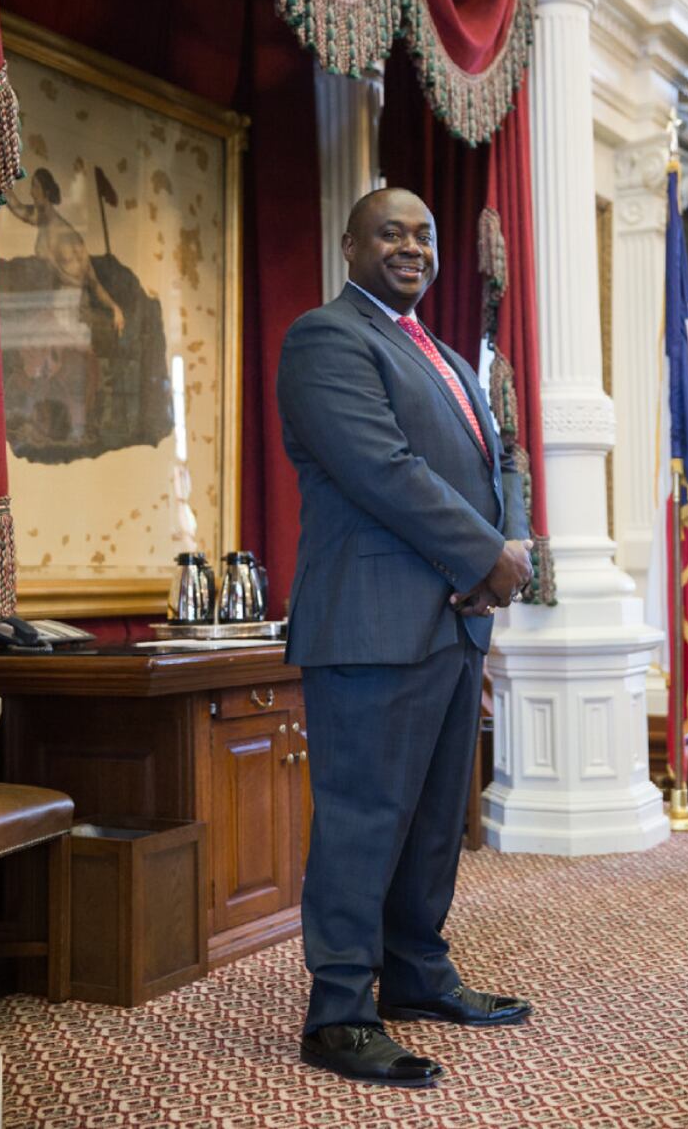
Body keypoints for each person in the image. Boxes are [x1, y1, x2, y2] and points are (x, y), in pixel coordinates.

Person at [277, 187, 534, 1087]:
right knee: (363, 821)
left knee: (432, 824)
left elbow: (502, 456)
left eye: (424, 233)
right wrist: (486, 558)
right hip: (372, 625)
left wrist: (513, 547)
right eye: (391, 232)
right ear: (349, 244)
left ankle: (419, 976)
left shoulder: (451, 359)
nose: (412, 247)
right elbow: (382, 471)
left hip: (454, 623)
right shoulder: (327, 339)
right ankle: (339, 1011)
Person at [6, 167, 125, 336]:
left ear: (45, 192)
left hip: (70, 310)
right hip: (53, 304)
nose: (31, 193)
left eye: (35, 187)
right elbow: (17, 207)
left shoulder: (66, 235)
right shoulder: (42, 219)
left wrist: (114, 307)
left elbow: (91, 281)